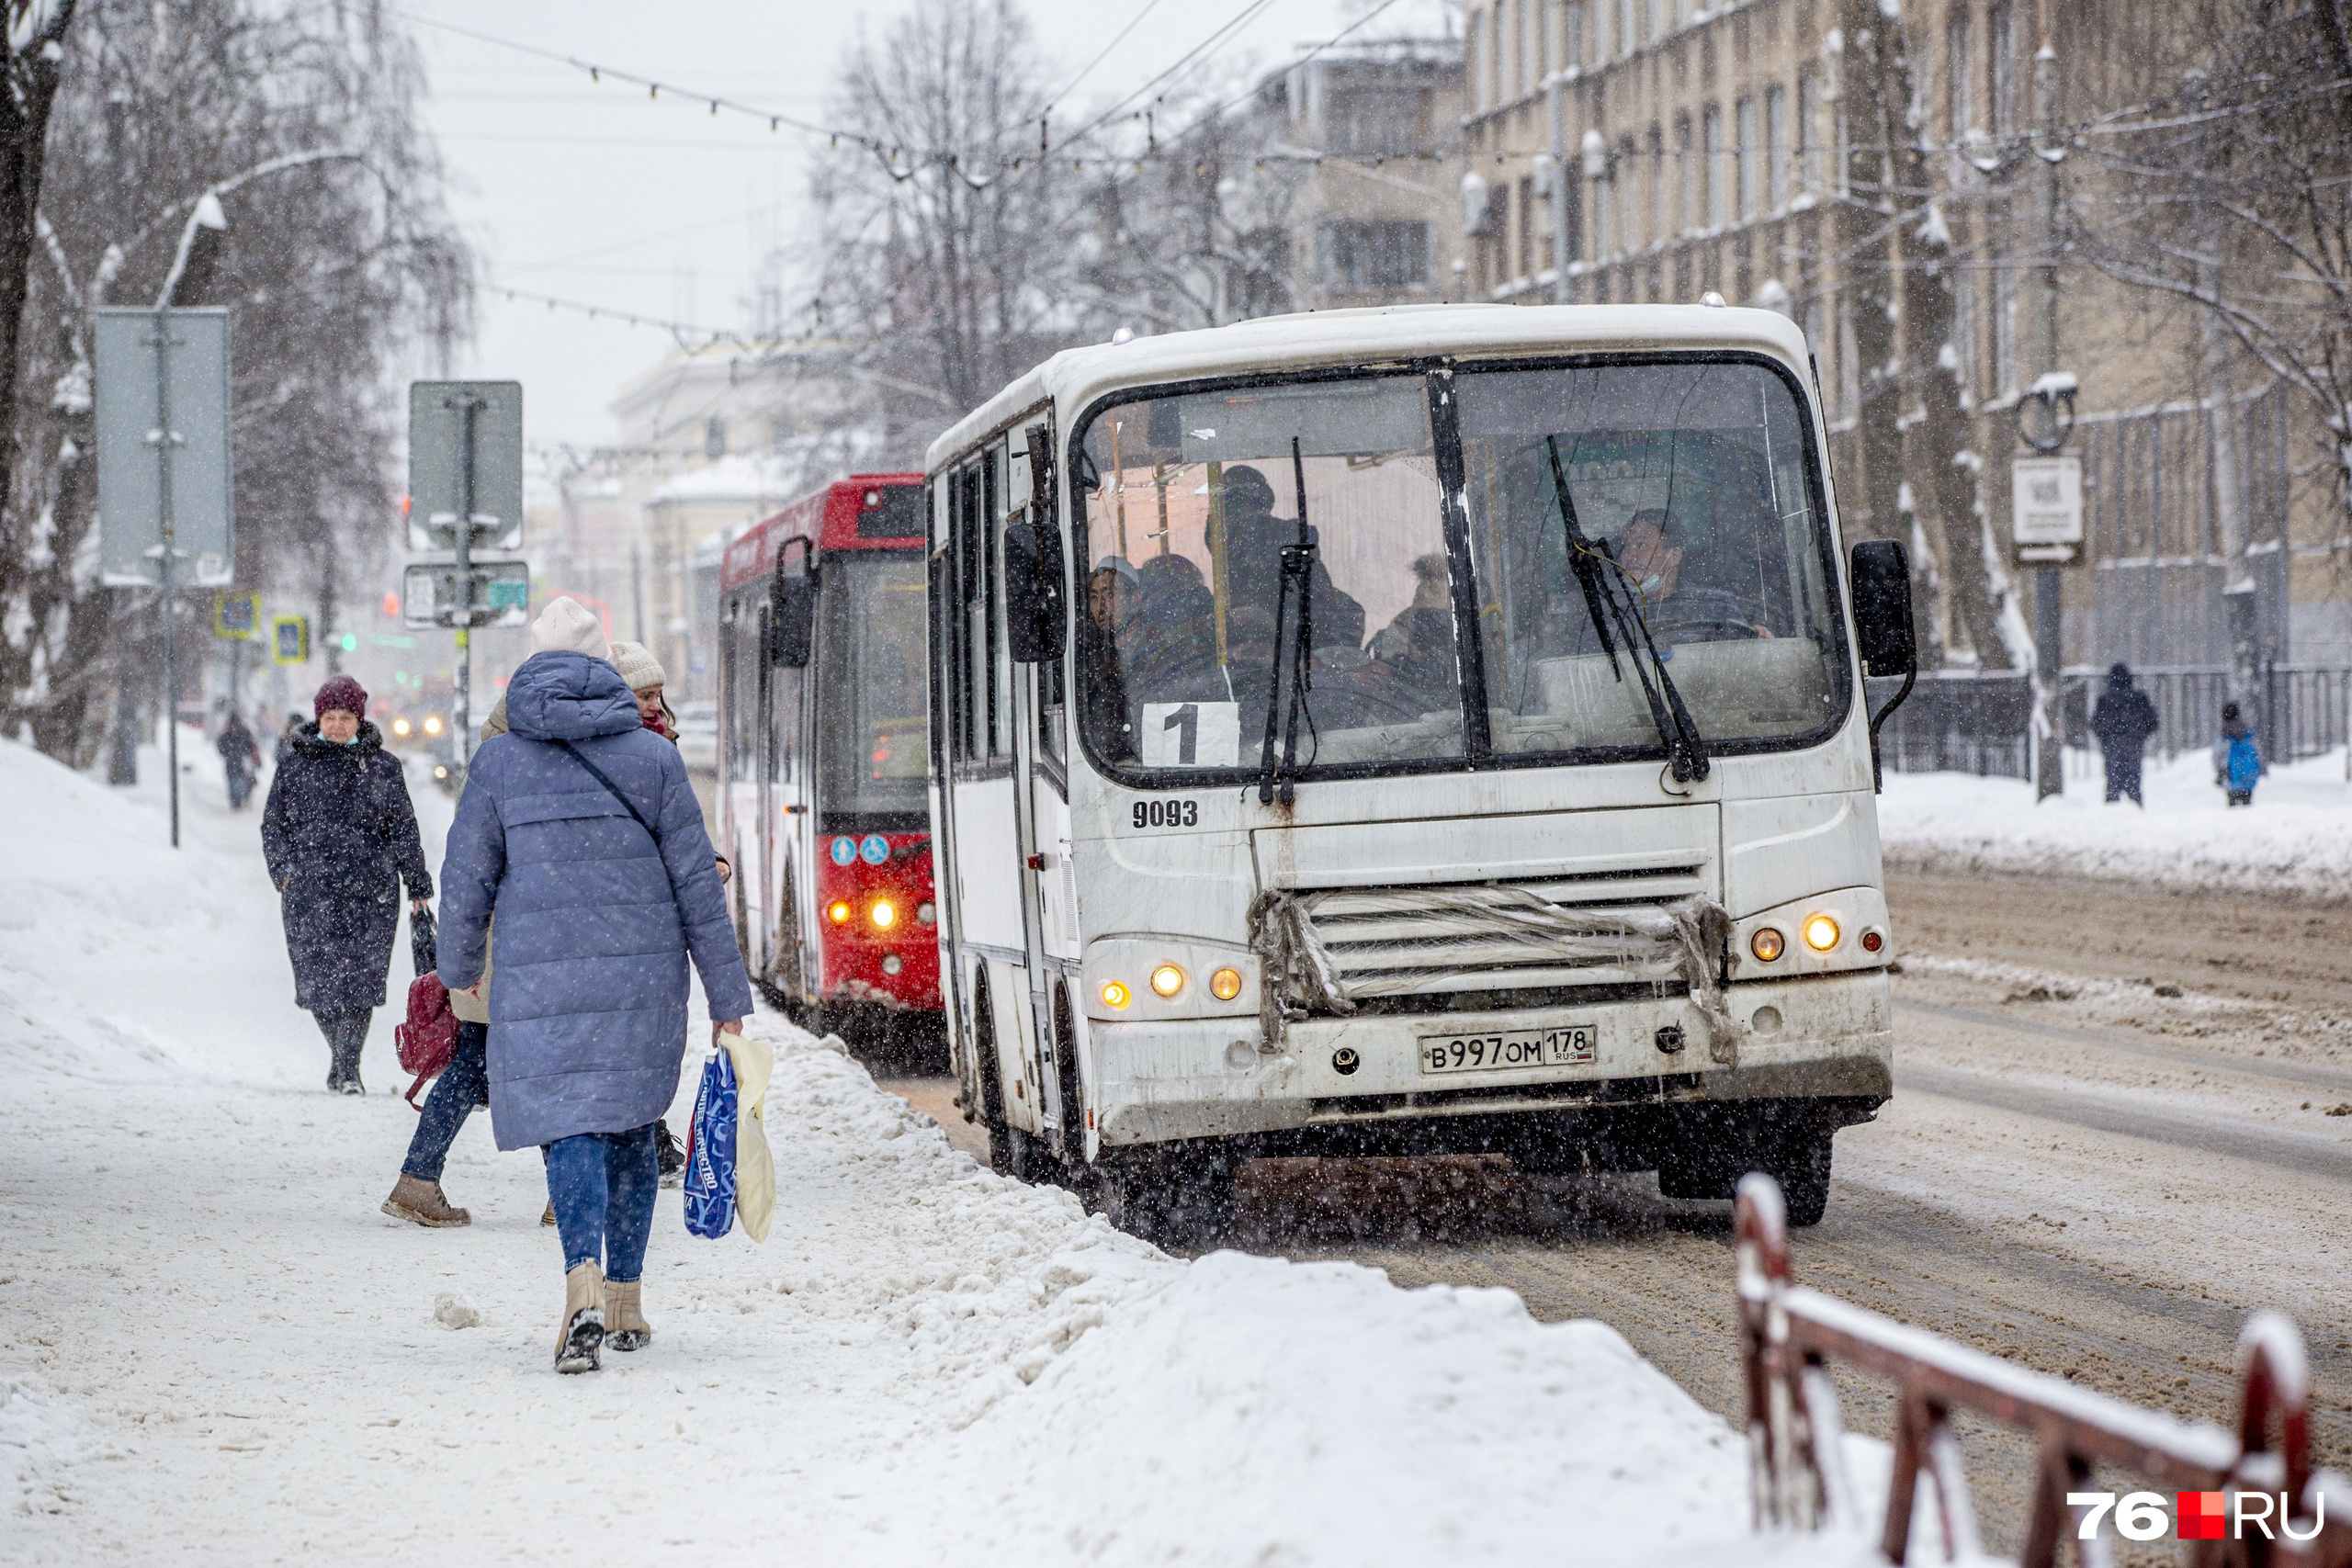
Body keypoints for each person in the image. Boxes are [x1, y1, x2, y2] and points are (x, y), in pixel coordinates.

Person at [436, 596, 756, 1374]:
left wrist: (455, 966)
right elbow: (696, 883)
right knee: (629, 1126)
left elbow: (465, 876)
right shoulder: (654, 759)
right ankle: (625, 1300)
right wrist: (727, 999)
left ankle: (578, 1280)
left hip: (541, 977)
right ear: (603, 666)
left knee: (572, 1124)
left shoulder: (499, 762)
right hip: (640, 974)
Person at [261, 674, 433, 1093]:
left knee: (361, 982)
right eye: (331, 717)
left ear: (359, 719)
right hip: (309, 893)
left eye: (346, 717)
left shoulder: (384, 768)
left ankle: (348, 1069)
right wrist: (285, 873)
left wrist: (418, 886)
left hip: (370, 893)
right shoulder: (294, 766)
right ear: (319, 719)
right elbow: (273, 826)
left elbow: (404, 830)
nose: (338, 725)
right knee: (318, 983)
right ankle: (342, 1059)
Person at [1611, 511, 1773, 646]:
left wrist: (1758, 641)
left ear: (1674, 556)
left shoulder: (1713, 606)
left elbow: (1741, 656)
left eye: (1641, 545)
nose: (1630, 555)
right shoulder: (1612, 610)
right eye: (1625, 546)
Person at [2089, 662, 2160, 806]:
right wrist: (2140, 735)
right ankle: (2135, 812)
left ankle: (2112, 812)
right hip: (2133, 744)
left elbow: (2096, 724)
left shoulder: (2105, 700)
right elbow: (2152, 722)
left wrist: (2106, 738)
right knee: (2134, 784)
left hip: (2112, 745)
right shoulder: (2139, 699)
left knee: (2113, 784)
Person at [2214, 701, 2264, 807]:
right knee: (2247, 809)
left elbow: (2217, 756)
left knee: (2232, 814)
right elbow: (2258, 753)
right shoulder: (2247, 732)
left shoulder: (2224, 735)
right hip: (2248, 780)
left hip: (2231, 780)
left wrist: (2219, 772)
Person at [216, 709, 261, 810]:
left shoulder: (244, 733)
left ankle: (241, 799)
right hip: (232, 765)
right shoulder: (227, 735)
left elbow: (251, 747)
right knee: (233, 784)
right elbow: (221, 747)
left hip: (243, 765)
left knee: (242, 784)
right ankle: (235, 802)